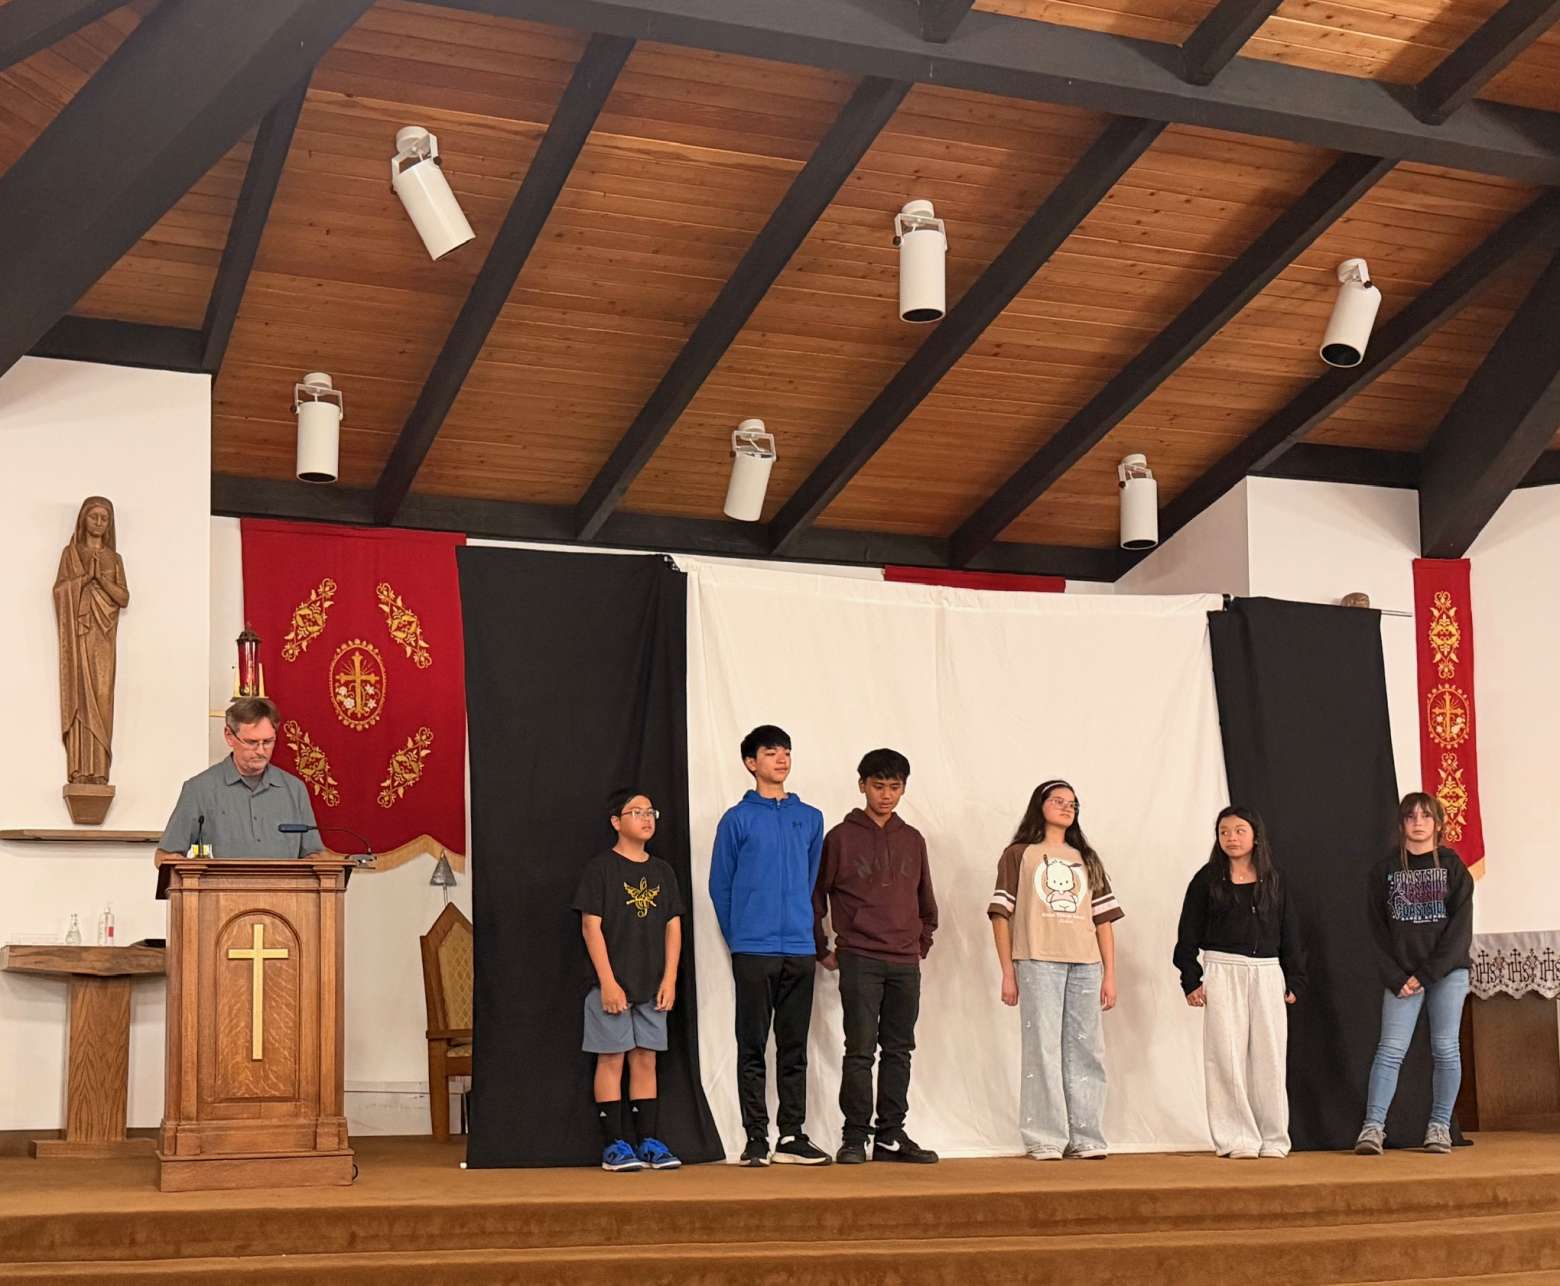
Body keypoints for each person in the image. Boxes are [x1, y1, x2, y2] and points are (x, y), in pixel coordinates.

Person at [709, 725, 829, 1166]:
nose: (781, 759)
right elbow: (720, 886)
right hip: (753, 950)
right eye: (771, 752)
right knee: (752, 1045)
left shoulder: (810, 818)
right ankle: (756, 1138)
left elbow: (811, 879)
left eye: (786, 752)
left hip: (799, 948)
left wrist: (801, 928)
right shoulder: (736, 819)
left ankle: (792, 1135)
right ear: (750, 762)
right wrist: (741, 936)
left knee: (794, 1047)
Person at [814, 748, 939, 1165]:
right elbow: (817, 896)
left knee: (899, 1050)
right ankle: (854, 1136)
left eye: (894, 787)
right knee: (860, 1050)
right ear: (862, 785)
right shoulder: (840, 838)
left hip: (905, 961)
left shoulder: (912, 839)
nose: (886, 795)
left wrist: (921, 941)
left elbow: (925, 899)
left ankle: (889, 1136)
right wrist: (822, 947)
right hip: (860, 957)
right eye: (878, 786)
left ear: (904, 789)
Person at [988, 779, 1122, 1160]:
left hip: (1086, 964)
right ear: (1040, 805)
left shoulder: (1086, 858)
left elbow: (1103, 920)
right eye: (1059, 800)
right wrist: (1008, 971)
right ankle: (1044, 1137)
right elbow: (1000, 914)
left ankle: (1086, 1136)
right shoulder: (1019, 855)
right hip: (1037, 959)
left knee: (1087, 1049)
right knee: (1042, 1048)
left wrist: (1109, 973)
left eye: (1073, 804)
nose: (1067, 807)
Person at [1173, 805, 1305, 1159]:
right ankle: (1236, 1138)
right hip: (1222, 969)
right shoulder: (1206, 880)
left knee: (1270, 1057)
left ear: (1255, 835)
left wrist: (1294, 979)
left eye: (1239, 831)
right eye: (1224, 832)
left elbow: (1290, 932)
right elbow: (1187, 934)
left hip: (1267, 971)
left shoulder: (1274, 880)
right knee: (1224, 1056)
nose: (1231, 838)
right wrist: (1191, 980)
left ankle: (1273, 1137)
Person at [1355, 792, 1473, 1156]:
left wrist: (1426, 975)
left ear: (1438, 824)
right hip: (1401, 976)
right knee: (1390, 1050)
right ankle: (1373, 1128)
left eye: (1426, 816)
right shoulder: (1384, 871)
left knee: (1446, 1049)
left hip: (1446, 974)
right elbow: (1375, 932)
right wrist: (1397, 977)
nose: (1418, 822)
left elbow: (1459, 933)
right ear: (1401, 824)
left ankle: (1439, 1127)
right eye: (1411, 816)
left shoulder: (1454, 868)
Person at [573, 789, 684, 1172]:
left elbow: (673, 927)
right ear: (616, 822)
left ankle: (648, 1140)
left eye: (650, 811)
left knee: (645, 1059)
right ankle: (615, 1144)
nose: (646, 818)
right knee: (612, 1059)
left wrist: (669, 979)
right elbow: (590, 927)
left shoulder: (663, 871)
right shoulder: (601, 869)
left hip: (652, 986)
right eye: (636, 812)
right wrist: (608, 982)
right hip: (612, 985)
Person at [156, 697, 322, 861]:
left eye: (268, 742)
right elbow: (165, 857)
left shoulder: (295, 789)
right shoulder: (199, 789)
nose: (261, 751)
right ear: (229, 736)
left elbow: (314, 855)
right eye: (251, 742)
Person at [54, 496, 129, 785]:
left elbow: (123, 597)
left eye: (104, 518)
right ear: (83, 519)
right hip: (79, 638)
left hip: (104, 638)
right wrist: (86, 578)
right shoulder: (71, 553)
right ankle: (79, 768)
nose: (98, 522)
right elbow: (60, 591)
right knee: (80, 693)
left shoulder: (114, 559)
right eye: (93, 516)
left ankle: (99, 769)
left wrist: (102, 579)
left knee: (102, 697)